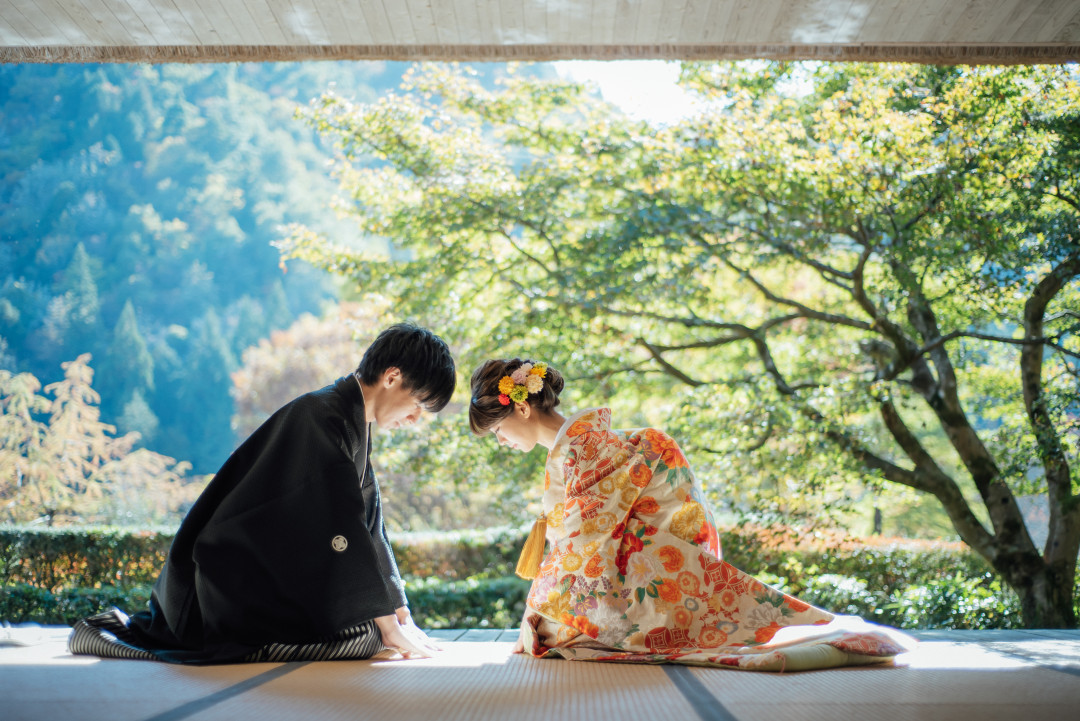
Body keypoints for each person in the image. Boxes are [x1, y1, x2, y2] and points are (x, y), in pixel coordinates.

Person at [469, 358, 914, 672]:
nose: (501, 440)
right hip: (655, 568)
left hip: (646, 580)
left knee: (550, 632)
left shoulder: (587, 451)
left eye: (496, 430)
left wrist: (539, 610)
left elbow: (586, 548)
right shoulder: (586, 446)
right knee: (547, 626)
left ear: (522, 408)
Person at [69, 323, 455, 664]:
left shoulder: (346, 418)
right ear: (391, 377)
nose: (416, 419)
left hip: (262, 580)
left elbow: (371, 523)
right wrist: (386, 625)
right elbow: (345, 529)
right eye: (419, 404)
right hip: (227, 585)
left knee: (370, 632)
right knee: (366, 637)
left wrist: (401, 614)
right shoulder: (322, 417)